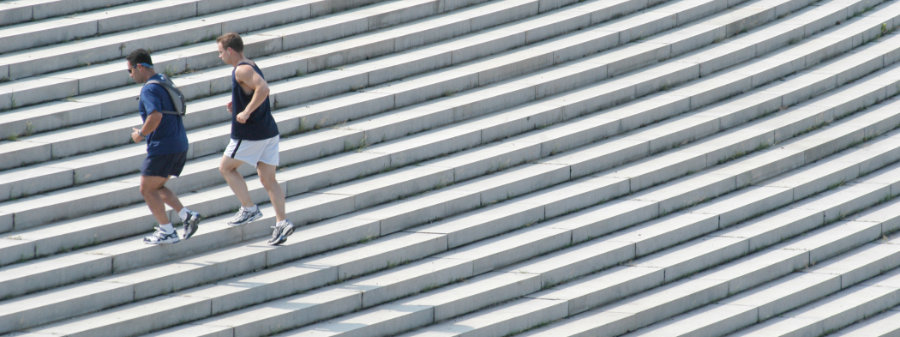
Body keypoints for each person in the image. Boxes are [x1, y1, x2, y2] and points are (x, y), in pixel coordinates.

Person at [216, 32, 294, 246]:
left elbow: (264, 89)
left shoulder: (242, 69)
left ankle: (249, 208)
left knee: (226, 168)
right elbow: (253, 90)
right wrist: (237, 104)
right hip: (268, 132)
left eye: (221, 52)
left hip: (250, 134)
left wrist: (246, 112)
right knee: (268, 179)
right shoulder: (249, 64)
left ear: (230, 50)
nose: (220, 56)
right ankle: (282, 223)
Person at [127, 48, 201, 244]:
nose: (130, 74)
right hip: (179, 143)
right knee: (156, 186)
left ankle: (167, 231)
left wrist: (140, 134)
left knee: (146, 188)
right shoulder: (163, 80)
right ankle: (186, 215)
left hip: (163, 146)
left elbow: (155, 115)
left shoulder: (149, 89)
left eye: (130, 70)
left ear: (140, 66)